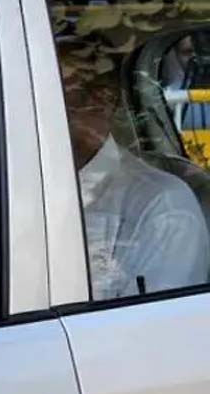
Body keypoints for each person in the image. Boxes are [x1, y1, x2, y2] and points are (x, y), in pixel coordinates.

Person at [65, 75, 209, 299]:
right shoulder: (11, 189)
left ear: (103, 100)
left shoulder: (162, 205)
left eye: (60, 94)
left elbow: (155, 327)